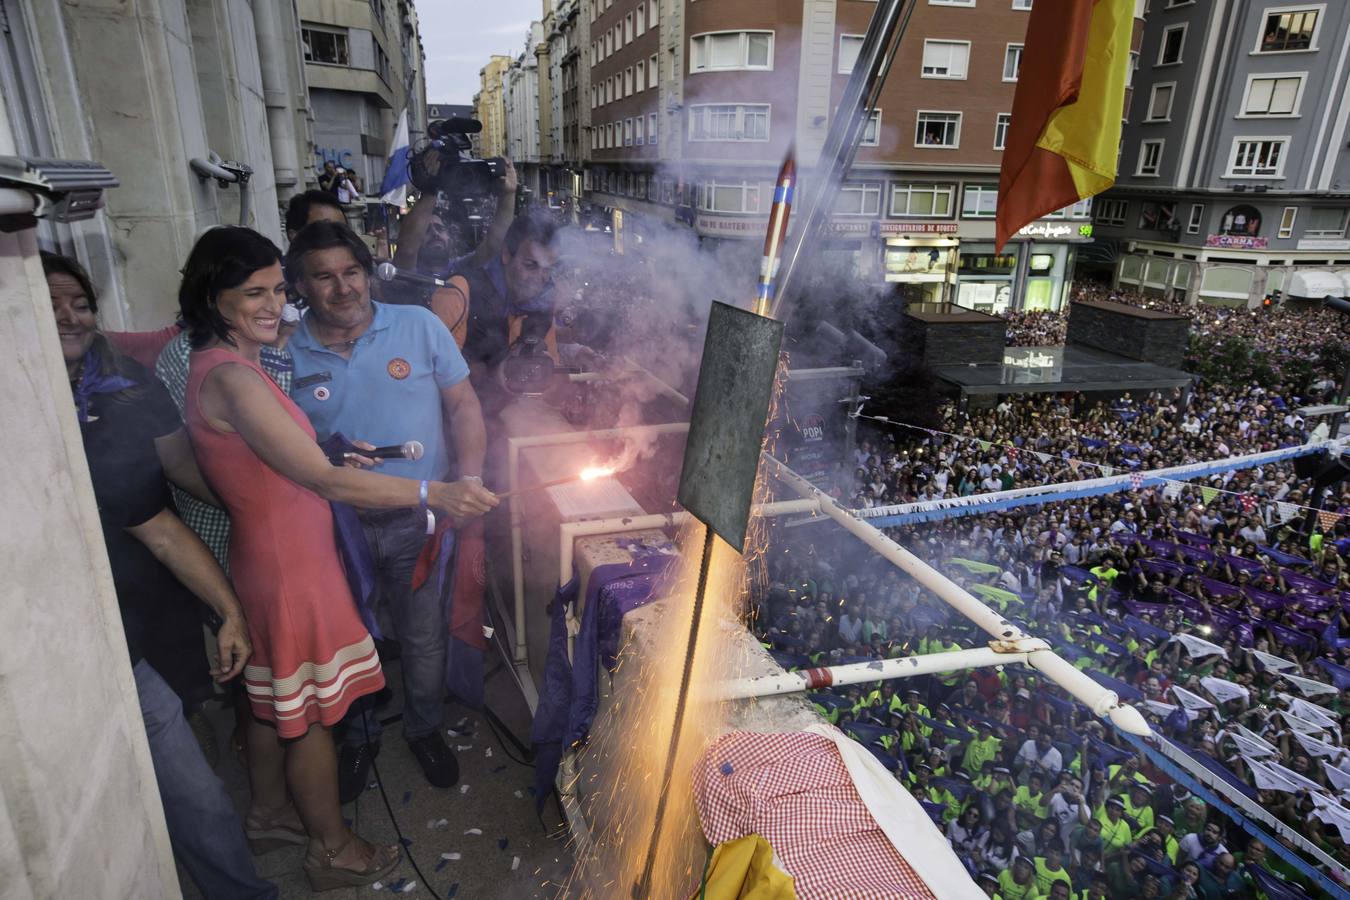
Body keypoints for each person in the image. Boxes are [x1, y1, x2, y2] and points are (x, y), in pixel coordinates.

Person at [180, 226, 487, 889]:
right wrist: (437, 488)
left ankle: (270, 814)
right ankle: (332, 845)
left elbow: (238, 461)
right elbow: (318, 480)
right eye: (254, 292)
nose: (272, 305)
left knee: (277, 703)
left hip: (294, 551)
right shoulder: (242, 372)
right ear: (214, 297)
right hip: (300, 566)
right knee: (310, 716)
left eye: (274, 291)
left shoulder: (228, 365)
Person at [44, 251, 276, 899]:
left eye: (80, 303)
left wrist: (252, 513)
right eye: (49, 303)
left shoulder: (126, 383)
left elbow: (160, 508)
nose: (68, 315)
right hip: (40, 653)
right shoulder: (23, 410)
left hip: (130, 624)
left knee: (192, 787)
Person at [282, 221, 495, 801]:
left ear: (368, 272)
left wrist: (469, 478)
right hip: (333, 530)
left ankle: (424, 729)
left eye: (351, 272)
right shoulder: (283, 353)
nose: (342, 288)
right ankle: (359, 737)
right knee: (351, 641)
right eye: (322, 277)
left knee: (424, 638)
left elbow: (464, 404)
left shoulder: (420, 325)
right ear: (300, 286)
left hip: (418, 524)